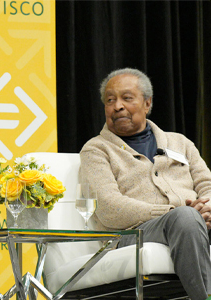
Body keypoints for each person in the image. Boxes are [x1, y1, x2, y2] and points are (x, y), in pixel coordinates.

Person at [79, 68, 211, 300]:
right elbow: (109, 207)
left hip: (195, 221)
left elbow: (206, 184)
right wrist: (174, 212)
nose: (117, 106)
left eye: (126, 98)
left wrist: (207, 208)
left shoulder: (180, 142)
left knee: (189, 219)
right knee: (185, 219)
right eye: (110, 100)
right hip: (131, 234)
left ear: (147, 103)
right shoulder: (96, 149)